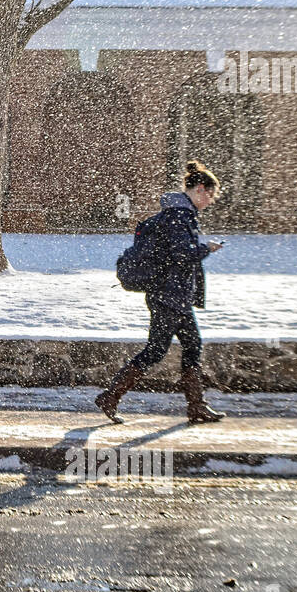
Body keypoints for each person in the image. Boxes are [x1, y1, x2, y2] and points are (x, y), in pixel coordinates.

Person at [96, 160, 226, 425]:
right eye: (211, 195)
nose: (210, 201)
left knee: (189, 345)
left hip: (171, 295)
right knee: (158, 350)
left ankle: (196, 406)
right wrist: (206, 249)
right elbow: (181, 255)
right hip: (169, 296)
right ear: (200, 188)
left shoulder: (178, 214)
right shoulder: (180, 216)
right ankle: (111, 396)